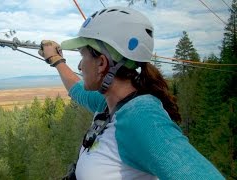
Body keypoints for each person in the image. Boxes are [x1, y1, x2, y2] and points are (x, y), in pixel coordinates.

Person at [38, 6, 224, 180]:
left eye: (82, 56)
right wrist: (57, 61)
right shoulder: (110, 102)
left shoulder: (142, 117)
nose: (79, 65)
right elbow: (78, 90)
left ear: (102, 63)